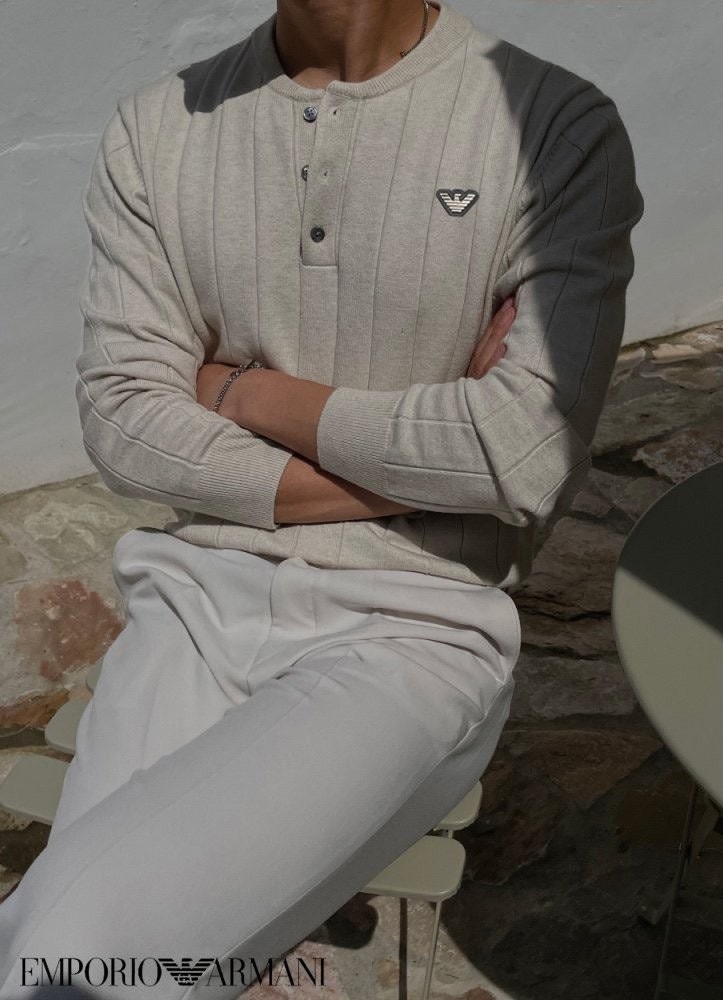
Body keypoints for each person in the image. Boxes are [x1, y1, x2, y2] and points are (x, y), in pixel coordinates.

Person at [0, 1, 644, 996]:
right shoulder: (157, 127)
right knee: (120, 959)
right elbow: (126, 424)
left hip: (417, 628)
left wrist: (243, 391)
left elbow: (524, 451)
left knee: (70, 944)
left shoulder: (552, 126)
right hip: (193, 603)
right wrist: (438, 469)